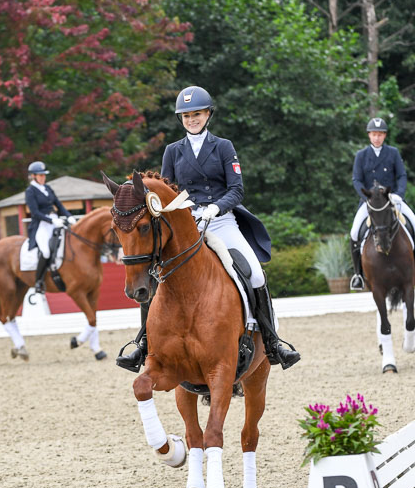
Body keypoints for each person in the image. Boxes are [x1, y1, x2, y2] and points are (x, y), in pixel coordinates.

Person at [116, 85, 300, 373]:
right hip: (185, 222)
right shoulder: (173, 151)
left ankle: (272, 341)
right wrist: (187, 212)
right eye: (187, 115)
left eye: (197, 114)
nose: (192, 119)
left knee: (253, 272)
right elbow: (168, 193)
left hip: (222, 219)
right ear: (181, 119)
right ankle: (143, 344)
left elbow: (236, 190)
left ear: (207, 115)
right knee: (155, 274)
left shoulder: (223, 146)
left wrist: (215, 208)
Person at [350, 117, 415, 290]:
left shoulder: (393, 153)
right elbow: (356, 180)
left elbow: (401, 176)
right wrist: (366, 198)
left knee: (414, 222)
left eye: (380, 134)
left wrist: (399, 194)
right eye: (374, 134)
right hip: (370, 202)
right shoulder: (361, 155)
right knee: (355, 231)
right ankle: (358, 275)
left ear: (384, 136)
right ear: (369, 135)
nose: (377, 137)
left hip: (391, 199)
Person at [25, 161, 76, 293]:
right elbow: (35, 213)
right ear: (33, 176)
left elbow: (58, 205)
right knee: (46, 251)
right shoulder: (30, 191)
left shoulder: (47, 188)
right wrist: (51, 221)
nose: (43, 177)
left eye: (44, 175)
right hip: (41, 225)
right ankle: (38, 281)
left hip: (55, 221)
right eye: (40, 175)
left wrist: (69, 216)